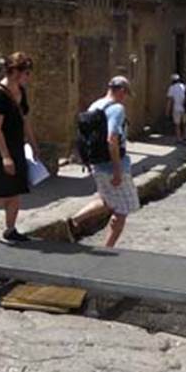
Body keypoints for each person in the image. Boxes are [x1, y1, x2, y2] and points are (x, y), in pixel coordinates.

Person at [65, 76, 140, 247]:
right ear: (122, 91)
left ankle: (74, 220)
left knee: (108, 200)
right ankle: (108, 248)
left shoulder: (95, 105)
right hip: (113, 166)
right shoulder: (117, 108)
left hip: (97, 164)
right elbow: (111, 139)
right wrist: (117, 170)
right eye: (126, 94)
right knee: (123, 209)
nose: (125, 98)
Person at [0, 52, 39, 242]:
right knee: (1, 191)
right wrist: (5, 157)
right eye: (26, 73)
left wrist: (33, 144)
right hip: (0, 147)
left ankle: (10, 230)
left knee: (16, 189)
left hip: (17, 144)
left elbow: (24, 120)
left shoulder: (21, 92)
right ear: (15, 72)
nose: (28, 77)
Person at [165, 73, 186, 144]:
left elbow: (169, 101)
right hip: (185, 108)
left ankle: (179, 139)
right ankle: (185, 136)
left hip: (176, 108)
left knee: (177, 124)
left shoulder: (172, 88)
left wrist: (167, 111)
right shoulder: (185, 87)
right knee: (184, 123)